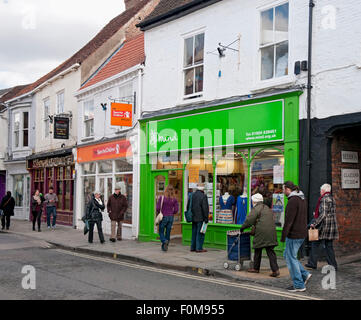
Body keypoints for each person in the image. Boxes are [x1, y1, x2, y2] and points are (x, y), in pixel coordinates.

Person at [282, 181, 312, 292]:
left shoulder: (293, 201)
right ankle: (304, 274)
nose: (283, 191)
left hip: (294, 234)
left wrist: (283, 236)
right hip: (301, 232)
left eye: (283, 189)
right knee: (288, 255)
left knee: (291, 259)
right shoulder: (301, 198)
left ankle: (299, 285)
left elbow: (289, 221)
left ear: (288, 189)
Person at [240, 193, 280, 277]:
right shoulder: (267, 208)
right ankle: (275, 270)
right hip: (271, 232)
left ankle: (255, 268)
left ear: (254, 201)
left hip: (261, 232)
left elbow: (249, 220)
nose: (252, 202)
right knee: (270, 251)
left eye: (252, 201)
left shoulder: (256, 209)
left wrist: (242, 228)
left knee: (258, 250)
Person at [305, 183, 339, 271]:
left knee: (315, 243)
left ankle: (312, 263)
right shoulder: (332, 198)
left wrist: (315, 223)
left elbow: (323, 214)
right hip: (331, 226)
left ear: (323, 190)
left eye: (321, 190)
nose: (320, 192)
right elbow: (329, 212)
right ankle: (333, 265)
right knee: (329, 246)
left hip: (323, 226)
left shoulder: (324, 199)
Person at [156, 185, 179, 252]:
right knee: (168, 232)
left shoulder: (162, 198)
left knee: (161, 231)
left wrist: (160, 211)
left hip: (163, 217)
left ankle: (164, 241)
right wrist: (172, 212)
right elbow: (176, 210)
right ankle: (164, 246)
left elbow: (157, 208)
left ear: (165, 190)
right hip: (171, 217)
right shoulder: (174, 199)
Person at [187, 185, 209, 253]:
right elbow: (205, 208)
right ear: (202, 189)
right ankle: (199, 248)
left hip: (193, 217)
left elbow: (188, 206)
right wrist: (206, 218)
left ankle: (193, 247)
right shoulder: (203, 196)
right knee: (200, 233)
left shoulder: (192, 195)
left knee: (194, 232)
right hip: (200, 217)